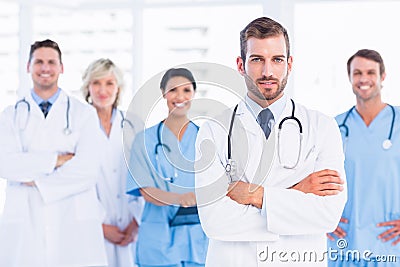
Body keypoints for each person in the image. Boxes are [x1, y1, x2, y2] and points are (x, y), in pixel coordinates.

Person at [194, 16, 347, 267]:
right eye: (257, 60)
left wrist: (257, 195)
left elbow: (327, 215)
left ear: (289, 63)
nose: (268, 72)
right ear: (241, 65)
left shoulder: (322, 127)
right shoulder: (214, 131)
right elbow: (214, 221)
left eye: (277, 59)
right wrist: (297, 194)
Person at [0, 39, 107, 267]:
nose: (45, 68)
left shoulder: (84, 114)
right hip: (25, 222)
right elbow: (5, 164)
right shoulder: (10, 116)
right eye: (39, 62)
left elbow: (87, 170)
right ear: (29, 67)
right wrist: (56, 160)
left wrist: (36, 181)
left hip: (73, 220)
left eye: (51, 62)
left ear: (61, 68)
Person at [126, 68, 208, 267]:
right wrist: (181, 198)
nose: (180, 96)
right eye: (173, 90)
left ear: (193, 95)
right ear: (163, 93)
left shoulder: (207, 139)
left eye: (186, 90)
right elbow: (146, 191)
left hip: (196, 241)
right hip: (158, 242)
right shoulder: (144, 141)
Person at [327, 49, 400, 266]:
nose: (364, 79)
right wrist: (323, 217)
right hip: (344, 242)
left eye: (370, 72)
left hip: (389, 243)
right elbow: (317, 179)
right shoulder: (335, 126)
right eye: (357, 73)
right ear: (349, 77)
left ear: (382, 77)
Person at [81, 58, 144, 267]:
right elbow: (76, 183)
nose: (102, 90)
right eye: (96, 83)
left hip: (131, 226)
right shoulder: (77, 127)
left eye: (109, 83)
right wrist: (99, 225)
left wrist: (136, 222)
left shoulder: (132, 124)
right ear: (88, 87)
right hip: (93, 225)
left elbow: (145, 176)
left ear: (118, 88)